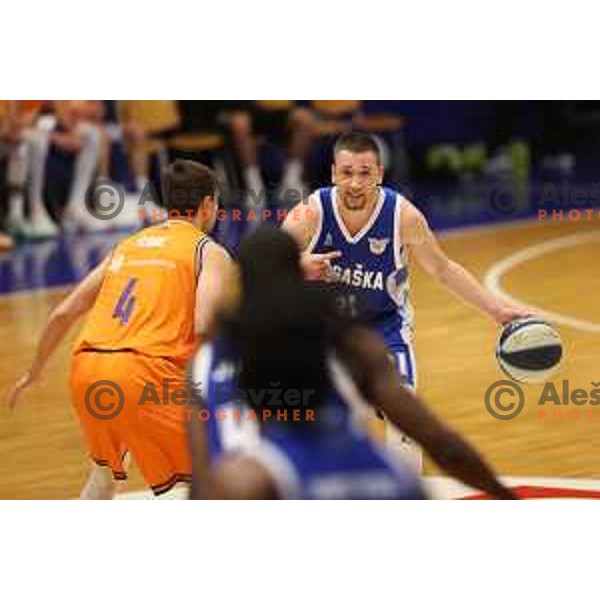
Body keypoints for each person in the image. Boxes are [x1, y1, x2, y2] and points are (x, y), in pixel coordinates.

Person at [187, 226, 516, 500]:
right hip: (369, 476)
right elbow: (439, 442)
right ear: (297, 273)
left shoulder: (206, 362)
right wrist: (505, 497)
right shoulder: (349, 344)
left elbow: (200, 483)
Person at [282, 132, 530, 468]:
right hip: (328, 331)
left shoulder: (404, 217)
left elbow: (442, 269)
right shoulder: (310, 211)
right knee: (316, 426)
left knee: (406, 423)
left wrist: (496, 309)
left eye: (365, 173)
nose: (355, 183)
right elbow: (264, 257)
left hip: (387, 329)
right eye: (347, 172)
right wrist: (297, 265)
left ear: (380, 174)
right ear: (332, 173)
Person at [8, 159, 235, 499]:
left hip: (86, 372)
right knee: (192, 484)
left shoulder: (127, 246)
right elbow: (203, 324)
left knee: (104, 473)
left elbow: (63, 312)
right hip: (142, 374)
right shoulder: (209, 251)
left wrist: (34, 370)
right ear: (207, 205)